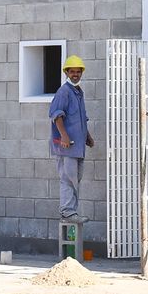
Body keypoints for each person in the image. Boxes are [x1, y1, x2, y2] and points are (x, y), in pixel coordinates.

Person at [49, 54, 94, 223]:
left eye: (78, 71)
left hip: (78, 146)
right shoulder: (64, 92)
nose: (75, 74)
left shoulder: (78, 92)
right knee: (68, 178)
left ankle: (72, 212)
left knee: (75, 179)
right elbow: (56, 115)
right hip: (66, 147)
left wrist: (87, 137)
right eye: (72, 71)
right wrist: (64, 137)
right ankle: (67, 212)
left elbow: (81, 118)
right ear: (66, 73)